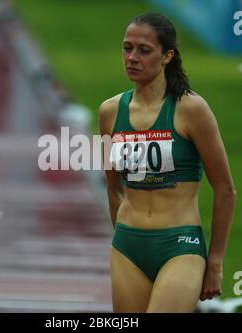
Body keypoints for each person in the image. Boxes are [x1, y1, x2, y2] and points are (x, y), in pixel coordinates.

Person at [98, 12, 236, 313]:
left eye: (144, 50)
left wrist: (215, 261)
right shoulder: (109, 112)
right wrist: (122, 236)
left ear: (167, 56)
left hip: (179, 245)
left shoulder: (191, 110)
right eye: (127, 47)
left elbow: (226, 189)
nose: (132, 57)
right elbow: (113, 188)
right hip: (128, 248)